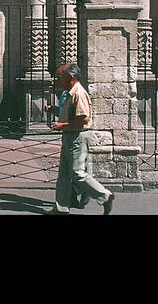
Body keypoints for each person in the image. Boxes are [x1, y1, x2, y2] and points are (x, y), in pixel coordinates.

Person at [49, 63, 115, 215]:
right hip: (69, 135)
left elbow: (84, 118)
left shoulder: (79, 93)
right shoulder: (70, 92)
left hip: (77, 136)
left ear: (71, 77)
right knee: (64, 175)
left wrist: (62, 125)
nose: (59, 80)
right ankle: (61, 208)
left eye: (60, 77)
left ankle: (104, 195)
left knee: (77, 173)